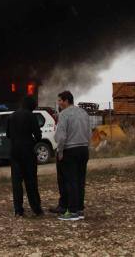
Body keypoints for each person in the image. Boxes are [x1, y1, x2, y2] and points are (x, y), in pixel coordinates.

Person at [53, 90, 91, 221]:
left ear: (65, 101)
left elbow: (62, 136)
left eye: (59, 100)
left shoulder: (64, 114)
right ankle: (80, 209)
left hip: (70, 151)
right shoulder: (83, 113)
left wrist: (61, 151)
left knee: (70, 181)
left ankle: (72, 211)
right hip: (83, 149)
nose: (58, 103)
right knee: (80, 180)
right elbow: (89, 133)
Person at [6, 95, 43, 217]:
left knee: (17, 182)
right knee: (31, 181)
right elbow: (38, 136)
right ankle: (36, 208)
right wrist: (31, 139)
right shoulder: (31, 116)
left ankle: (18, 210)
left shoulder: (11, 116)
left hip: (15, 152)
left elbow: (8, 134)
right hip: (28, 152)